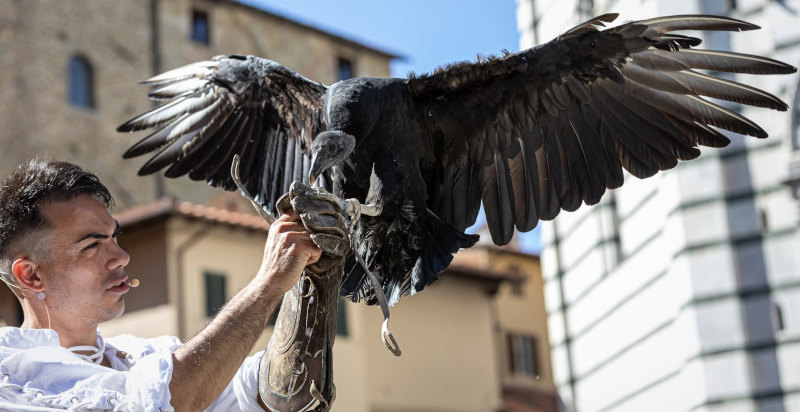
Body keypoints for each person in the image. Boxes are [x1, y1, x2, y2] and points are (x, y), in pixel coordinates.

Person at [0, 159, 329, 411]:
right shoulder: (9, 373)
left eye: (115, 237)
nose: (121, 257)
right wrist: (266, 284)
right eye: (92, 246)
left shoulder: (149, 354)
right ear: (31, 275)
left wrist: (316, 274)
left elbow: (269, 393)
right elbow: (164, 402)